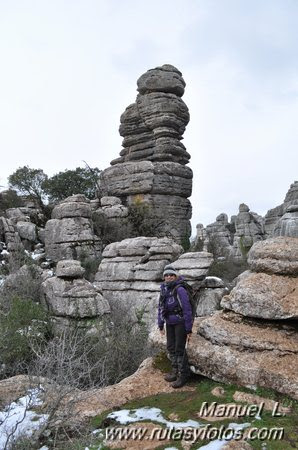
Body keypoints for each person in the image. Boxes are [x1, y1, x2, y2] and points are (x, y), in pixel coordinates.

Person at [158, 264, 193, 388]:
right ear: (164, 277)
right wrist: (160, 324)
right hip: (169, 322)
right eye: (166, 275)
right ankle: (175, 371)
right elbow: (161, 307)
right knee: (171, 347)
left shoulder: (180, 289)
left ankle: (183, 375)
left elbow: (187, 309)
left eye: (171, 275)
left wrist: (188, 328)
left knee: (179, 348)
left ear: (175, 276)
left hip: (180, 322)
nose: (169, 277)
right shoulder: (164, 289)